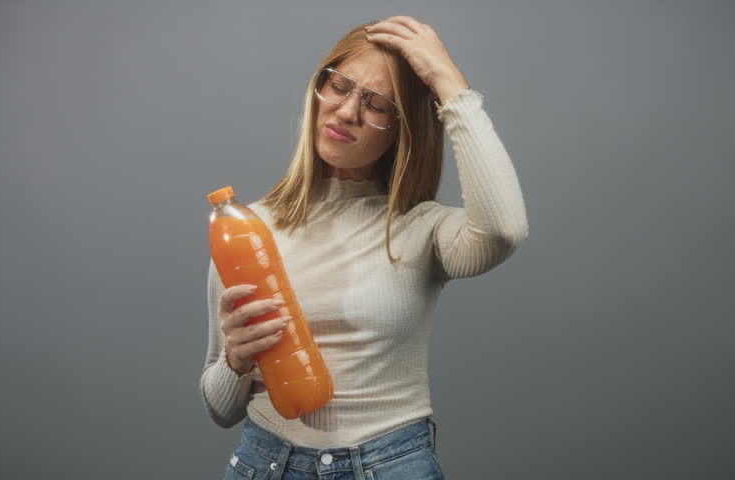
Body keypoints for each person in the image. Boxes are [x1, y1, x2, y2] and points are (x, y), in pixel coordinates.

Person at [200, 15, 529, 479]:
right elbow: (219, 408)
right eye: (339, 86)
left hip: (388, 465)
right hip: (266, 464)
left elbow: (503, 230)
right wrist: (235, 361)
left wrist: (449, 84)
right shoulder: (247, 230)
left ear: (403, 130)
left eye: (377, 104)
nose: (348, 111)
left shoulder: (423, 230)